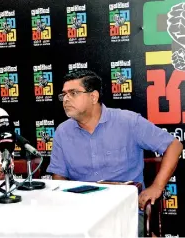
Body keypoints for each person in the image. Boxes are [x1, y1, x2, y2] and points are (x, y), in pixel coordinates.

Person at [47, 70, 183, 237]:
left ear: (93, 97)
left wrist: (157, 186)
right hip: (82, 214)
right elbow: (59, 178)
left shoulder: (128, 122)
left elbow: (174, 146)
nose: (66, 99)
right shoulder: (63, 132)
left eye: (73, 93)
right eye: (64, 95)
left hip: (125, 212)